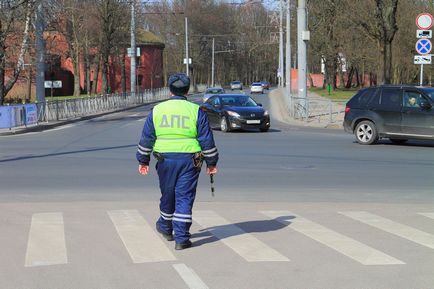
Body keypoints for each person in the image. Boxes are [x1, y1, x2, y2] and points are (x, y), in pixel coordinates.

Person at [136, 73, 219, 250]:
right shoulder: (196, 111)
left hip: (165, 160)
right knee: (184, 197)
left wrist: (143, 160)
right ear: (187, 90)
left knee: (168, 194)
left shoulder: (157, 110)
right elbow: (206, 140)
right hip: (190, 161)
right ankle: (181, 238)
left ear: (170, 89)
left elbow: (147, 138)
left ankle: (165, 227)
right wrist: (212, 163)